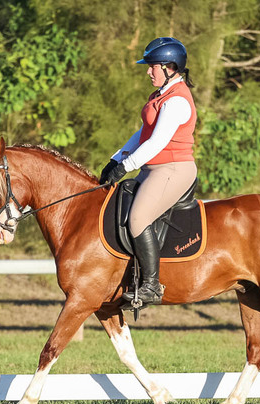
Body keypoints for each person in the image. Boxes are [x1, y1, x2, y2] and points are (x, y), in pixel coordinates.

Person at [100, 37, 197, 307]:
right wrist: (116, 158)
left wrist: (125, 167)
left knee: (138, 218)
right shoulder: (160, 95)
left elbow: (157, 142)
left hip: (173, 169)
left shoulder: (177, 100)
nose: (148, 71)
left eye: (152, 66)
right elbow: (143, 134)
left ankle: (152, 286)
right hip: (154, 168)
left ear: (169, 67)